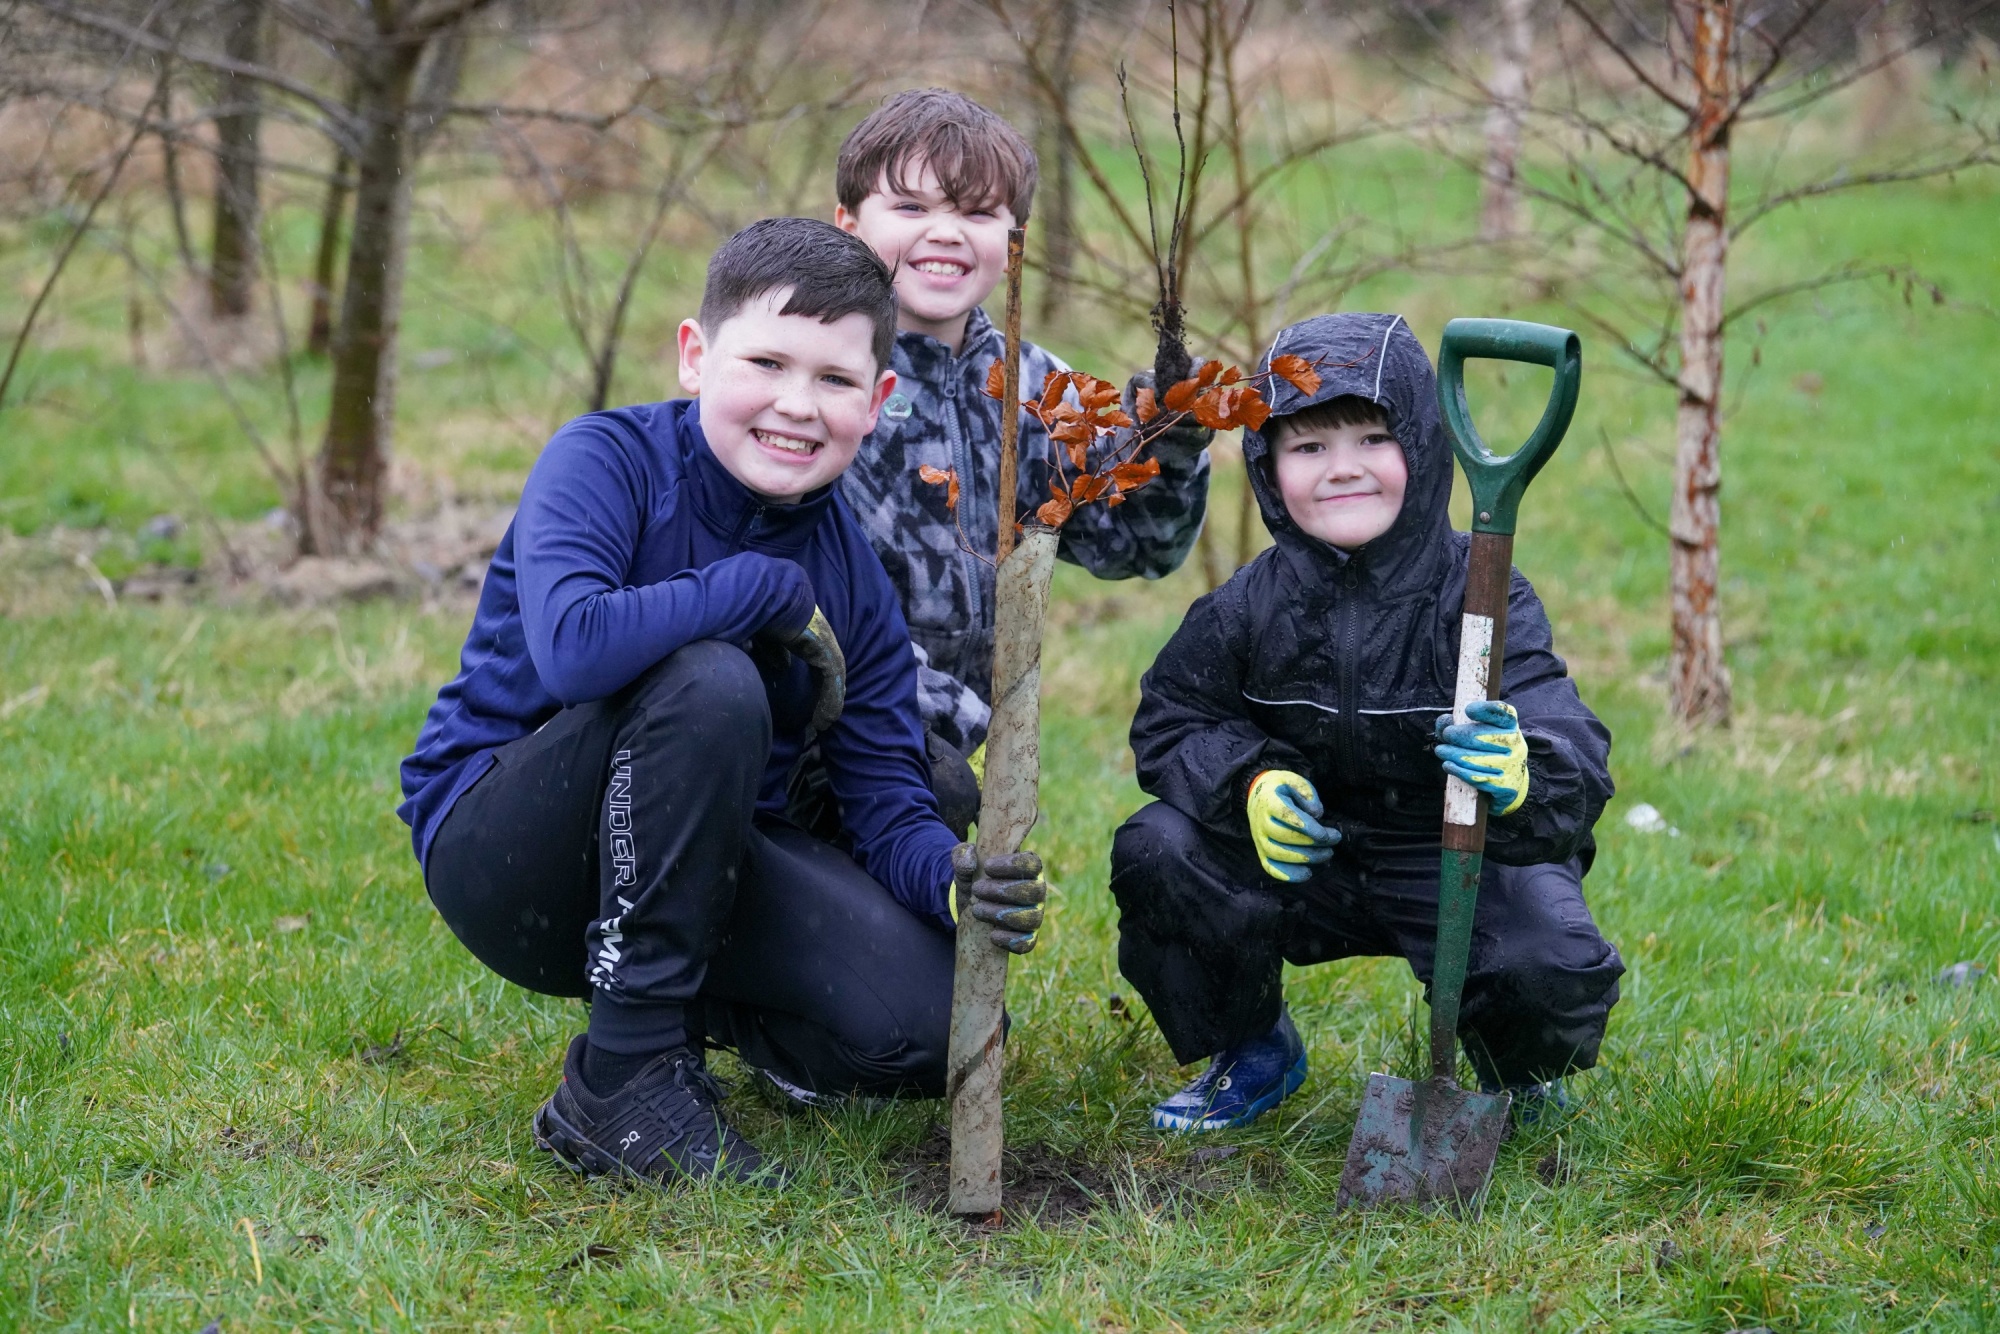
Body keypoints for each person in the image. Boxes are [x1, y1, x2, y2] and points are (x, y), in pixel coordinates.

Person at [397, 218, 1046, 1186]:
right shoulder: (604, 460)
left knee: (922, 1026)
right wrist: (757, 589)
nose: (795, 404)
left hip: (698, 862)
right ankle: (621, 1077)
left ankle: (685, 1008)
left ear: (875, 401)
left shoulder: (849, 573)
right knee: (709, 676)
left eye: (832, 381)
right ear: (695, 356)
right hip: (512, 853)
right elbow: (576, 651)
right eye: (766, 362)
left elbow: (881, 796)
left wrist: (950, 877)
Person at [1108, 312, 1624, 1133]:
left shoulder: (1484, 593)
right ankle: (1252, 1047)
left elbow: (1567, 733)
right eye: (1308, 448)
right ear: (1268, 467)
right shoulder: (1250, 604)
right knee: (1157, 850)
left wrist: (1529, 765)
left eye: (1370, 439)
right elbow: (1174, 717)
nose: (1341, 470)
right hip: (1311, 863)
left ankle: (1513, 1075)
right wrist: (1250, 782)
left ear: (1421, 446)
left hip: (1455, 853)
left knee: (1545, 957)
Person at [828, 88, 1215, 832]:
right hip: (830, 714)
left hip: (945, 752)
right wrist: (939, 726)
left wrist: (1165, 441)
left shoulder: (1038, 389)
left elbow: (1137, 545)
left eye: (976, 214)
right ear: (849, 225)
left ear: (1017, 239)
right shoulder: (823, 375)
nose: (944, 234)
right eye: (910, 209)